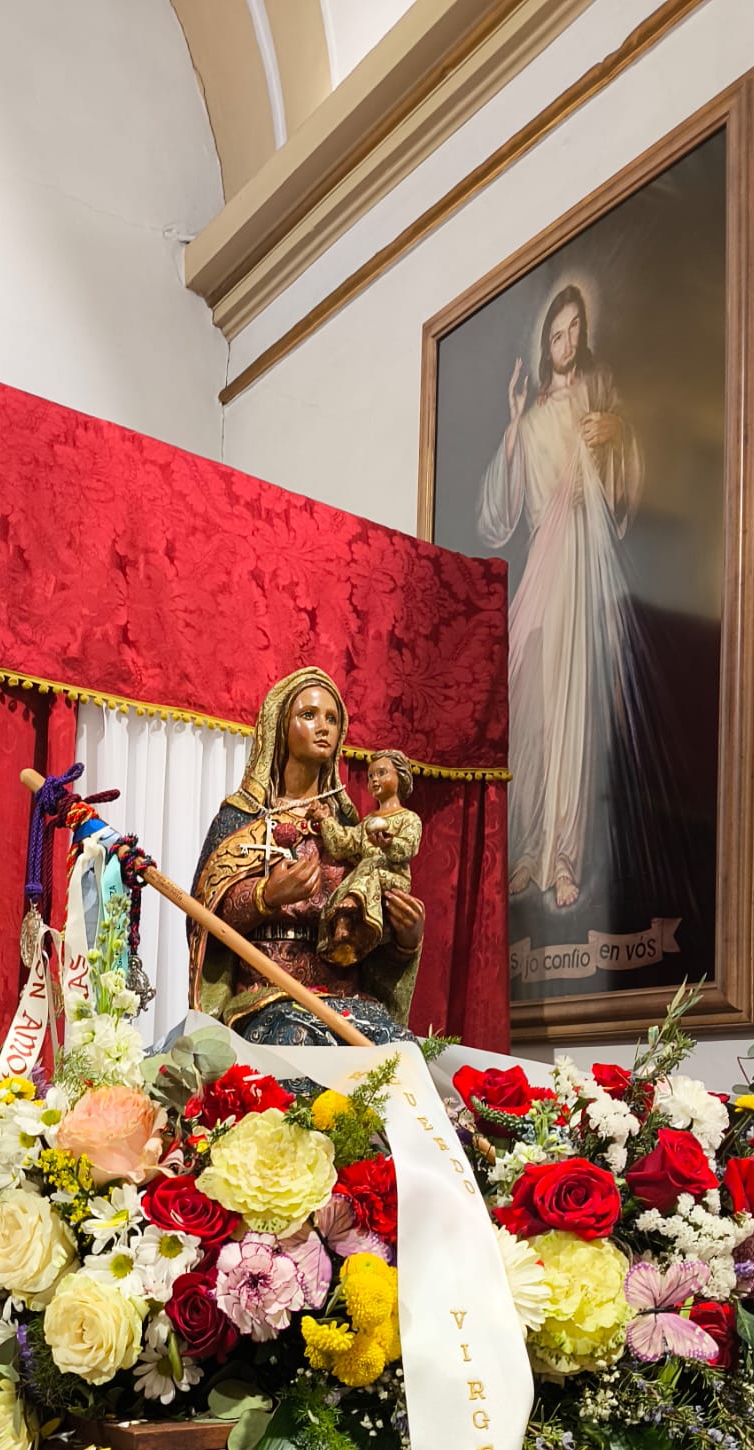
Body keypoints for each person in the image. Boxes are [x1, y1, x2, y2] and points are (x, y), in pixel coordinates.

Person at [477, 281, 673, 915]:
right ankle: (530, 847)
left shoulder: (597, 394)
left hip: (580, 562)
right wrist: (513, 426)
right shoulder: (534, 415)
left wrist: (617, 433)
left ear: (583, 335)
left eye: (574, 331)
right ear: (546, 341)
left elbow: (630, 473)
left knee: (572, 703)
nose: (566, 343)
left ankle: (563, 854)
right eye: (556, 333)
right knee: (534, 703)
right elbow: (500, 513)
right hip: (545, 563)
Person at [188, 671, 425, 1044]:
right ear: (281, 725)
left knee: (397, 1048)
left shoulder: (349, 828)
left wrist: (404, 940)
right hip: (266, 993)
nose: (323, 727)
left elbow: (367, 935)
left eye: (332, 718)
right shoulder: (242, 818)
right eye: (309, 715)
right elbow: (204, 916)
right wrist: (266, 895)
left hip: (343, 996)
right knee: (296, 1038)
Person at [309, 748, 421, 966]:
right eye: (370, 776)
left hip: (393, 878)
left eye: (381, 773)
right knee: (352, 880)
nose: (374, 780)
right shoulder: (368, 821)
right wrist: (325, 819)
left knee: (370, 869)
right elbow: (343, 845)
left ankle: (352, 907)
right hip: (364, 877)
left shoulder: (409, 818)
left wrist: (389, 844)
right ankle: (341, 924)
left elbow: (408, 848)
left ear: (400, 777)